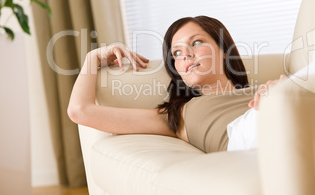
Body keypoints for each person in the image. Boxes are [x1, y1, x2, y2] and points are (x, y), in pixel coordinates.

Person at [68, 15, 286, 153]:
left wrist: (284, 91)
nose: (187, 55)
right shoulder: (178, 116)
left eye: (196, 42)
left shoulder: (261, 90)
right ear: (177, 69)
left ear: (223, 49)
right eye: (177, 53)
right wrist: (92, 59)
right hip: (252, 144)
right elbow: (80, 111)